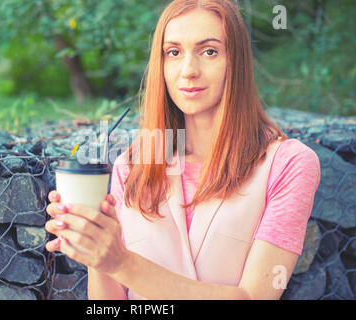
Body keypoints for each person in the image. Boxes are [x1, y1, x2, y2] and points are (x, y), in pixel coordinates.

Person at [45, 0, 321, 300]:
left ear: (237, 61)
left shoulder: (289, 164)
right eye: (174, 52)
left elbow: (254, 297)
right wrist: (99, 251)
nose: (188, 70)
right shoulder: (133, 163)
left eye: (209, 51)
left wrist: (120, 262)